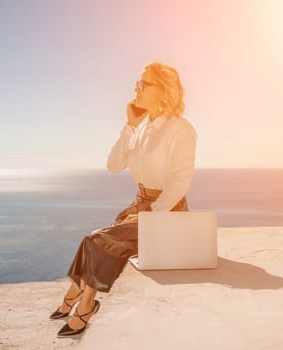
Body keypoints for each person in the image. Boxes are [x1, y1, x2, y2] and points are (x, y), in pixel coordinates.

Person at [50, 61, 197, 337]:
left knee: (97, 240)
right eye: (137, 83)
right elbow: (114, 165)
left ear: (163, 90)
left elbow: (181, 181)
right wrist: (129, 126)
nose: (136, 88)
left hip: (168, 210)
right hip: (140, 204)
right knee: (94, 240)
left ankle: (84, 303)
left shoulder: (181, 129)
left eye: (143, 83)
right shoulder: (141, 128)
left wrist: (151, 213)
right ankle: (77, 296)